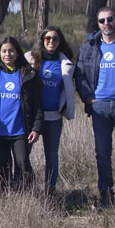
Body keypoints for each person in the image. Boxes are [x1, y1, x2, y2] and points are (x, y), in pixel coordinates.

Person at [74, 7, 115, 207]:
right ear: (98, 24)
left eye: (110, 19)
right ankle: (106, 192)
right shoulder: (89, 46)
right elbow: (80, 74)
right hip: (99, 107)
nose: (106, 24)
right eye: (102, 21)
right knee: (102, 153)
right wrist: (88, 98)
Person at [0, 37, 43, 191]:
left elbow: (38, 104)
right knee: (3, 165)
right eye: (4, 51)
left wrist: (36, 128)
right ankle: (7, 195)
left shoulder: (28, 74)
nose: (7, 54)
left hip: (20, 130)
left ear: (17, 53)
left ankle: (29, 195)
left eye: (11, 51)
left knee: (22, 162)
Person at [24, 26, 76, 195]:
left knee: (51, 156)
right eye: (47, 38)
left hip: (54, 116)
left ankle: (50, 191)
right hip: (32, 117)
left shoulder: (66, 63)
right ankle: (27, 188)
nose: (51, 42)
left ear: (60, 41)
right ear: (42, 40)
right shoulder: (29, 59)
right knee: (24, 154)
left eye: (55, 38)